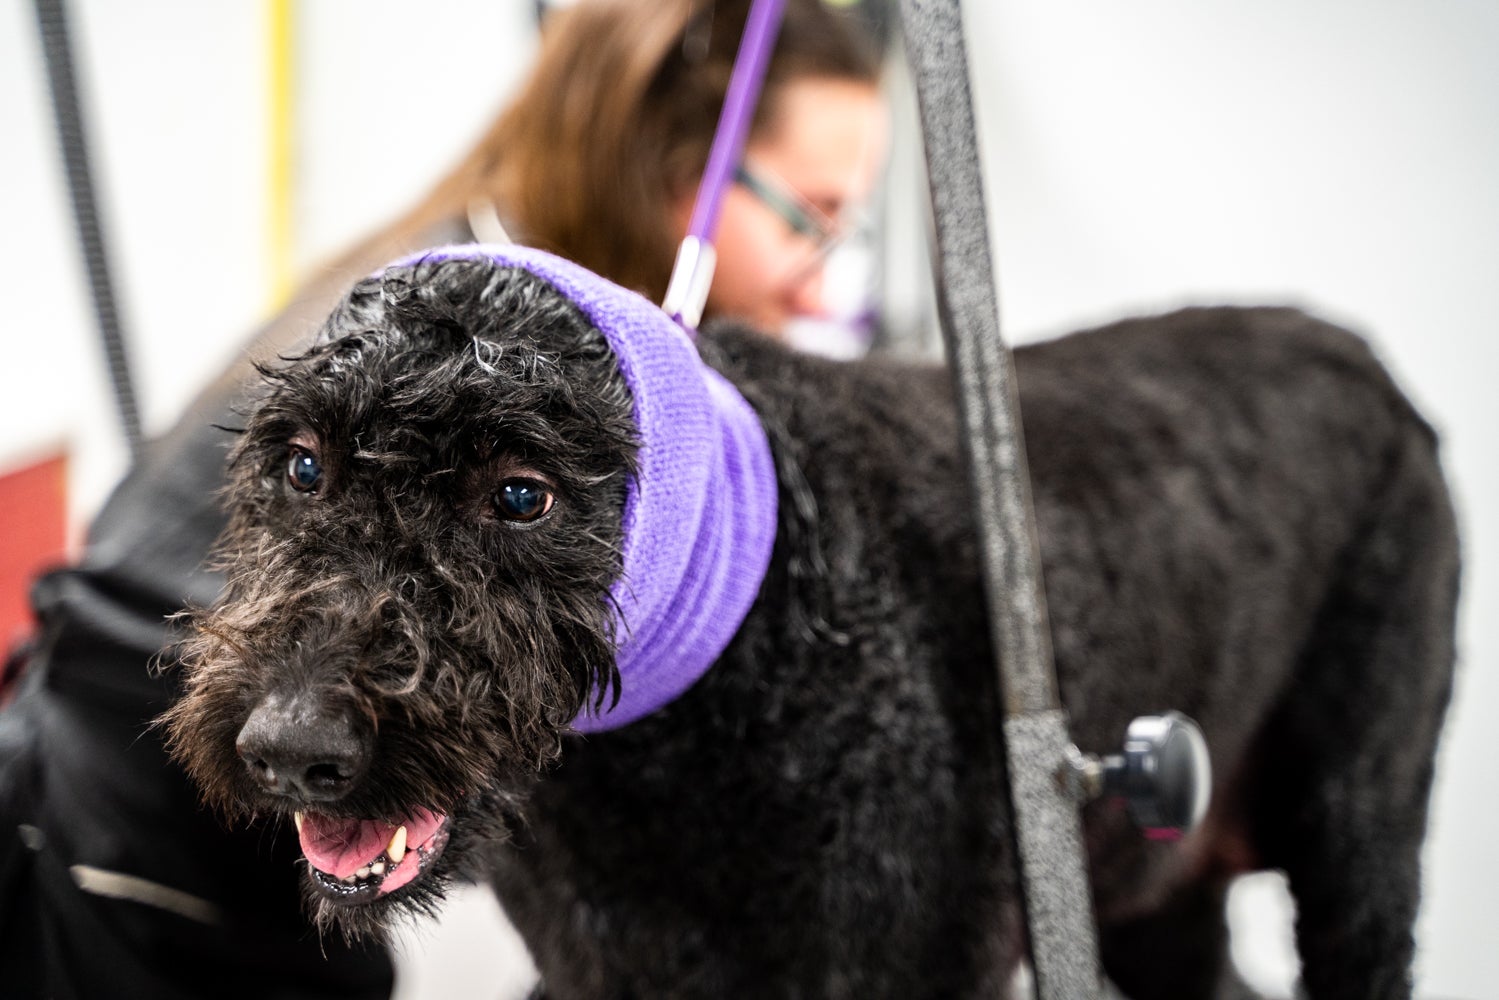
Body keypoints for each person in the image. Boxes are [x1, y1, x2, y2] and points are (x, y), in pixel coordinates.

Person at [0, 1, 885, 996]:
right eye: (810, 216)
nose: (820, 286)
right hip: (132, 783)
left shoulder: (531, 305)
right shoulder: (464, 342)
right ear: (673, 163)